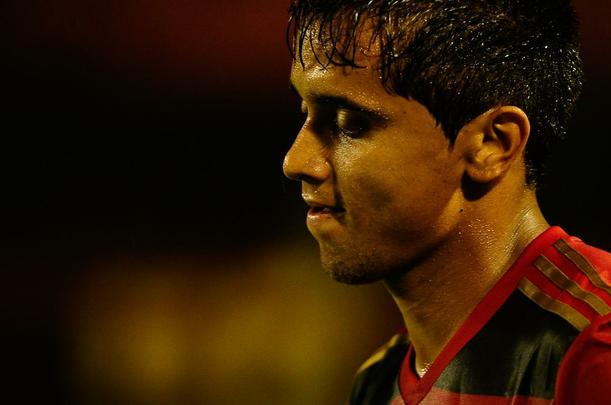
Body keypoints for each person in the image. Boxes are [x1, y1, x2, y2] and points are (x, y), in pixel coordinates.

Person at [281, 0, 611, 404]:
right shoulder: (377, 381)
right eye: (305, 112)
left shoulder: (596, 346)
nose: (296, 162)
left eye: (350, 124)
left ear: (492, 143)